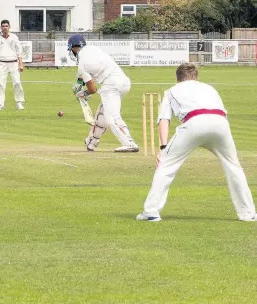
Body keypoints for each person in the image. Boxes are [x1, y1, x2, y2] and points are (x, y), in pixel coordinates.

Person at [137, 63, 256, 222]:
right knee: (233, 167)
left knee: (166, 164)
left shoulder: (172, 91)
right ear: (196, 77)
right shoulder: (210, 88)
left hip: (194, 123)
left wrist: (163, 148)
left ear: (177, 78)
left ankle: (151, 211)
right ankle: (248, 214)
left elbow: (164, 120)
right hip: (221, 124)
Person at [68, 34, 138, 152]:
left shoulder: (82, 64)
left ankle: (129, 142)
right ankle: (92, 142)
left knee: (111, 116)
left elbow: (93, 89)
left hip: (111, 85)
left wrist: (84, 94)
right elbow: (85, 76)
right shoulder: (94, 49)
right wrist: (79, 84)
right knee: (103, 113)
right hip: (124, 81)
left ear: (73, 48)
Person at [0, 19, 25, 111]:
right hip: (1, 63)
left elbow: (19, 51)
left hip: (13, 63)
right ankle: (0, 104)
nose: (5, 28)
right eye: (3, 26)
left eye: (6, 26)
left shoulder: (14, 37)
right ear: (0, 27)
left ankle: (19, 102)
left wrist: (20, 64)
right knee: (0, 84)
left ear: (9, 27)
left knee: (17, 83)